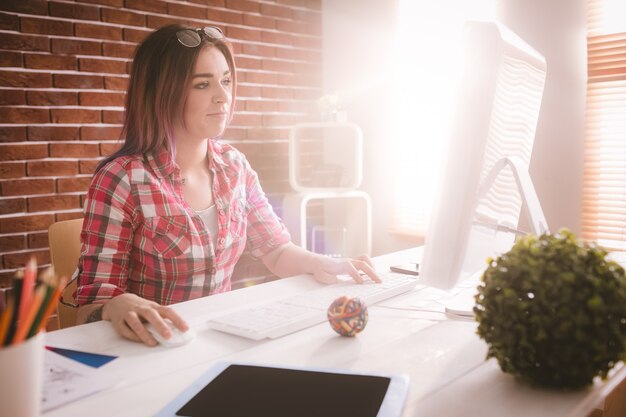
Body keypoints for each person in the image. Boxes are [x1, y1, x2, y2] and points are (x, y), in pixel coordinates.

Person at [75, 24, 380, 346]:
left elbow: (276, 251)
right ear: (161, 93)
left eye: (226, 81)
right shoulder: (122, 178)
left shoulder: (235, 166)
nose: (223, 97)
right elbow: (89, 309)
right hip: (152, 348)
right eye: (203, 85)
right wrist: (115, 305)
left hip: (219, 340)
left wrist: (325, 263)